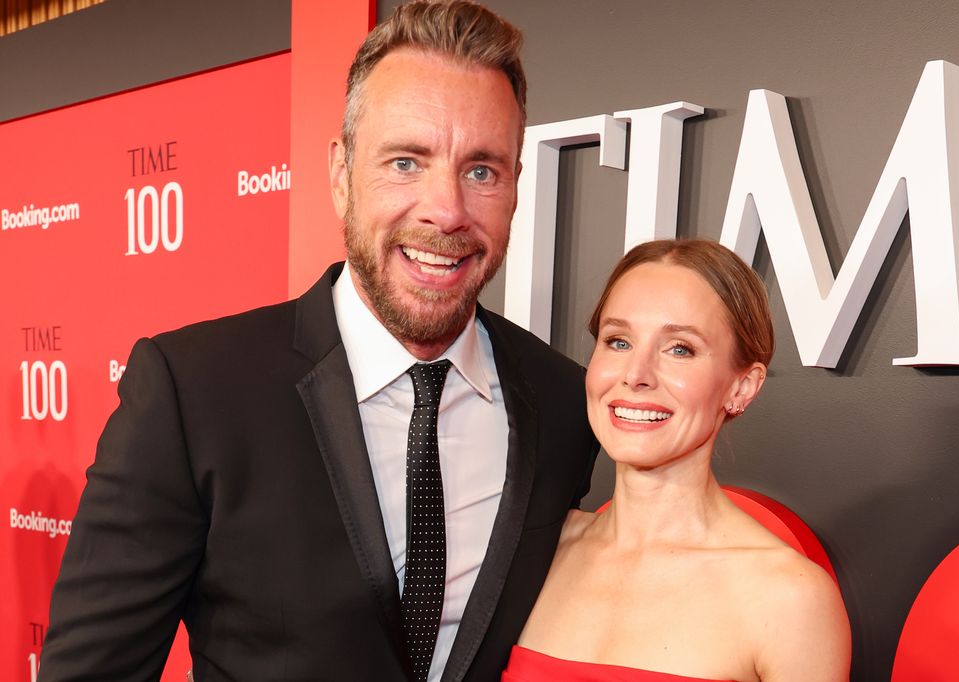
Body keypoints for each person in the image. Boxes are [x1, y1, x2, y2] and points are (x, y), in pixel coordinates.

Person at [39, 2, 598, 681]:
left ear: (514, 187)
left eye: (482, 170)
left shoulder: (568, 404)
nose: (446, 209)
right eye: (405, 161)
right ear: (340, 175)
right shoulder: (193, 393)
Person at [503, 239, 851, 682]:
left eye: (680, 349)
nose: (635, 375)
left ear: (741, 387)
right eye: (618, 341)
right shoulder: (538, 549)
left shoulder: (789, 598)